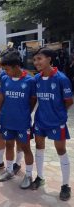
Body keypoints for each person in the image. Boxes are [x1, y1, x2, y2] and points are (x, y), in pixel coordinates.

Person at [0, 48, 37, 189]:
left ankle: (28, 175)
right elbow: (1, 98)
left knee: (25, 147)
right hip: (6, 120)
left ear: (17, 66)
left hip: (22, 122)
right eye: (4, 69)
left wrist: (25, 112)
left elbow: (33, 100)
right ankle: (9, 171)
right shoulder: (5, 78)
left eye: (7, 69)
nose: (5, 72)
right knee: (9, 144)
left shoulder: (30, 81)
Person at [32, 48, 73, 201]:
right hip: (40, 121)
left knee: (61, 150)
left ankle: (65, 185)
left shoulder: (61, 79)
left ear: (49, 59)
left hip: (57, 122)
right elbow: (35, 99)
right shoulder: (36, 79)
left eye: (39, 59)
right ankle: (40, 177)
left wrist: (58, 113)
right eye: (34, 60)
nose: (36, 62)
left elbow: (69, 101)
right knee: (39, 147)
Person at [0, 69, 24, 175]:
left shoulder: (27, 79)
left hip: (19, 117)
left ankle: (17, 163)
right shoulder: (4, 75)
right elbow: (1, 97)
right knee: (0, 136)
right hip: (5, 116)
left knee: (18, 140)